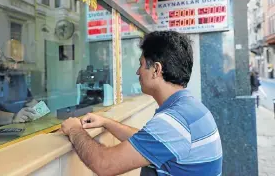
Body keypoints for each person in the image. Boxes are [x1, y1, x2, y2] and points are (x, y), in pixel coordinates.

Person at [61, 31, 222, 176]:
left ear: (156, 70)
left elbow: (104, 164)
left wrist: (74, 129)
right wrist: (106, 123)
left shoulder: (174, 120)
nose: (138, 72)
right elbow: (149, 142)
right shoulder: (189, 108)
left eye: (141, 64)